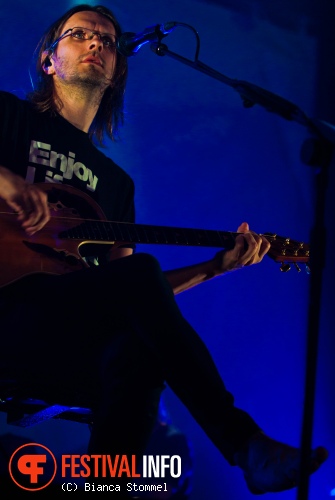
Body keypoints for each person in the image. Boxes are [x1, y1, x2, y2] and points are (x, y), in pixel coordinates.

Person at [0, 3, 327, 496]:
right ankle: (244, 444)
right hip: (8, 307)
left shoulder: (115, 184)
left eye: (108, 41)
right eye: (80, 34)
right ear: (48, 59)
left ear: (115, 72)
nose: (96, 44)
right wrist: (6, 183)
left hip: (56, 331)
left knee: (139, 348)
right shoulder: (9, 115)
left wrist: (214, 268)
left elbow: (133, 293)